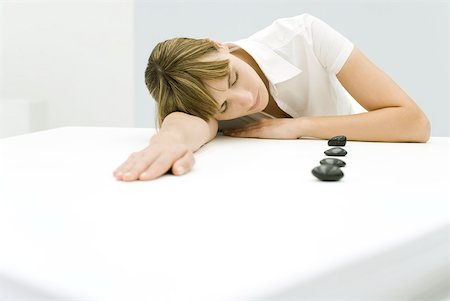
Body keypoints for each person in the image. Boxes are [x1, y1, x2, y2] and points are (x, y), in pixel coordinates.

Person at [113, 13, 430, 182]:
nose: (245, 99)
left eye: (232, 76)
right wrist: (168, 140)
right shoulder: (202, 102)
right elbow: (185, 125)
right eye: (224, 106)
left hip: (370, 166)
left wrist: (299, 126)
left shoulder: (304, 35)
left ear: (218, 44)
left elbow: (414, 122)